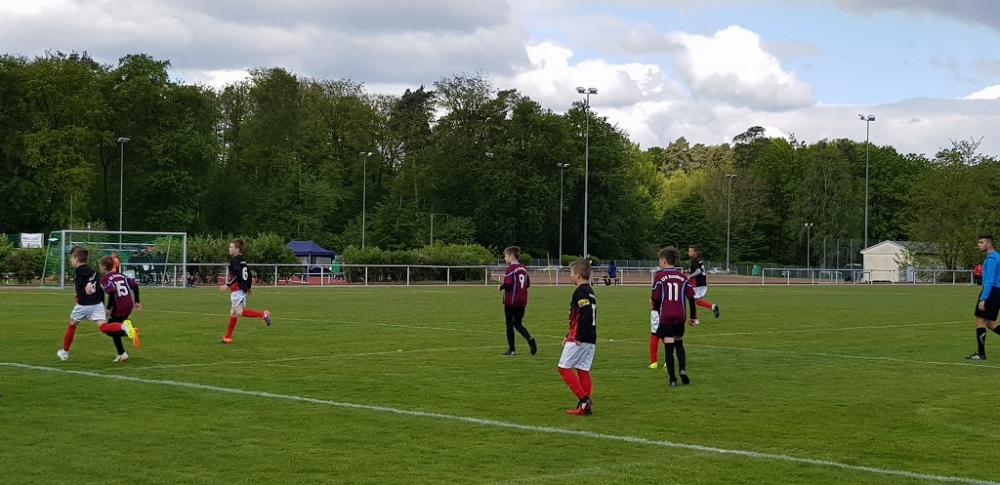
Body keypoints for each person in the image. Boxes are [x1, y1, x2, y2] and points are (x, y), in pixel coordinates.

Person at [56, 247, 136, 361]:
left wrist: (89, 283)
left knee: (72, 325)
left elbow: (92, 277)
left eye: (72, 258)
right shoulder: (90, 270)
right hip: (97, 304)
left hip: (84, 304)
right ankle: (123, 326)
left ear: (76, 259)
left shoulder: (80, 269)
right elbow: (97, 282)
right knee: (103, 327)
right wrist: (101, 303)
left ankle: (64, 352)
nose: (71, 261)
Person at [651, 247, 697, 386]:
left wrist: (656, 311)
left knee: (669, 347)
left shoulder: (659, 277)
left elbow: (656, 298)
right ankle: (682, 369)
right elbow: (691, 297)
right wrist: (693, 316)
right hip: (680, 316)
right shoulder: (682, 277)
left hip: (667, 316)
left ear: (664, 261)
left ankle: (672, 379)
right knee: (679, 343)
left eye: (660, 260)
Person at [559, 260, 597, 415]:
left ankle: (584, 400)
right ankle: (585, 408)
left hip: (581, 337)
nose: (570, 276)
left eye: (571, 273)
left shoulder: (580, 292)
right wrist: (568, 334)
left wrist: (578, 335)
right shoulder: (590, 291)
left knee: (563, 368)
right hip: (590, 336)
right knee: (582, 369)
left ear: (578, 275)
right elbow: (582, 316)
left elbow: (586, 313)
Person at [220, 238, 272, 344]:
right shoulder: (242, 259)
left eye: (231, 247)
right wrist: (248, 287)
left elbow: (238, 274)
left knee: (238, 312)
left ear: (237, 249)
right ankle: (227, 337)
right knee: (233, 312)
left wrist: (227, 284)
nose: (229, 249)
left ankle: (263, 315)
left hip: (237, 288)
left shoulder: (235, 260)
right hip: (241, 288)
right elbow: (248, 273)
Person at [99, 256, 141, 361]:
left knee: (109, 329)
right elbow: (135, 286)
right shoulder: (121, 275)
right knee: (115, 327)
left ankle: (130, 331)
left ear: (104, 267)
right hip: (128, 304)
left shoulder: (105, 279)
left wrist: (108, 308)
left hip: (119, 306)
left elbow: (112, 292)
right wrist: (137, 302)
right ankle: (122, 354)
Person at [499, 246, 537, 356]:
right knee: (518, 323)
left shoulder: (510, 269)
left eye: (506, 256)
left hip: (511, 301)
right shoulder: (523, 268)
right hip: (522, 300)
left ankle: (512, 350)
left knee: (509, 324)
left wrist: (501, 287)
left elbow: (508, 284)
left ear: (512, 256)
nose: (505, 258)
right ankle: (529, 339)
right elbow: (527, 284)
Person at [967, 235, 1000, 360]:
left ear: (989, 244)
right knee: (991, 323)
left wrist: (983, 298)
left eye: (981, 242)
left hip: (991, 291)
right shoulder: (997, 256)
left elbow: (989, 280)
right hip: (997, 291)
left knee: (980, 321)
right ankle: (980, 353)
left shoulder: (991, 259)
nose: (978, 245)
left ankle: (981, 354)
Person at [686, 245, 720, 325]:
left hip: (697, 283)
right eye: (689, 251)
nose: (689, 252)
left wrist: (690, 276)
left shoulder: (694, 260)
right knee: (697, 301)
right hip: (702, 283)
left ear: (695, 252)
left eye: (691, 251)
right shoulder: (699, 260)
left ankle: (695, 319)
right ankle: (713, 307)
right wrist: (690, 271)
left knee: (692, 300)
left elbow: (698, 271)